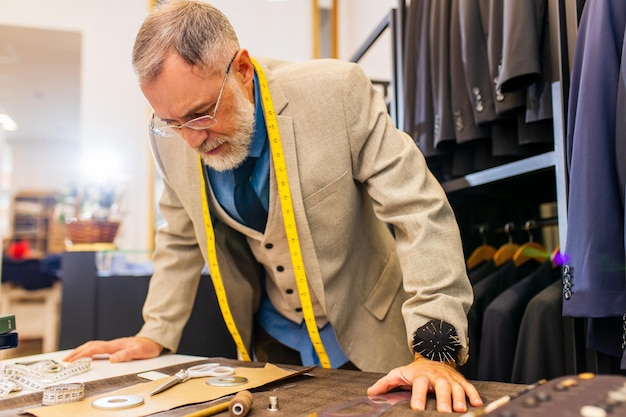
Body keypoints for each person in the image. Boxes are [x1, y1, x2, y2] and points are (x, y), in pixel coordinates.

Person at [65, 1, 482, 412]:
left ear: (242, 70)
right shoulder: (171, 137)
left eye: (200, 114)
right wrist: (154, 332)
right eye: (172, 122)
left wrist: (434, 351)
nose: (191, 140)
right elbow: (178, 236)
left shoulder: (337, 92)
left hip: (374, 334)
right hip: (271, 343)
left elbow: (420, 211)